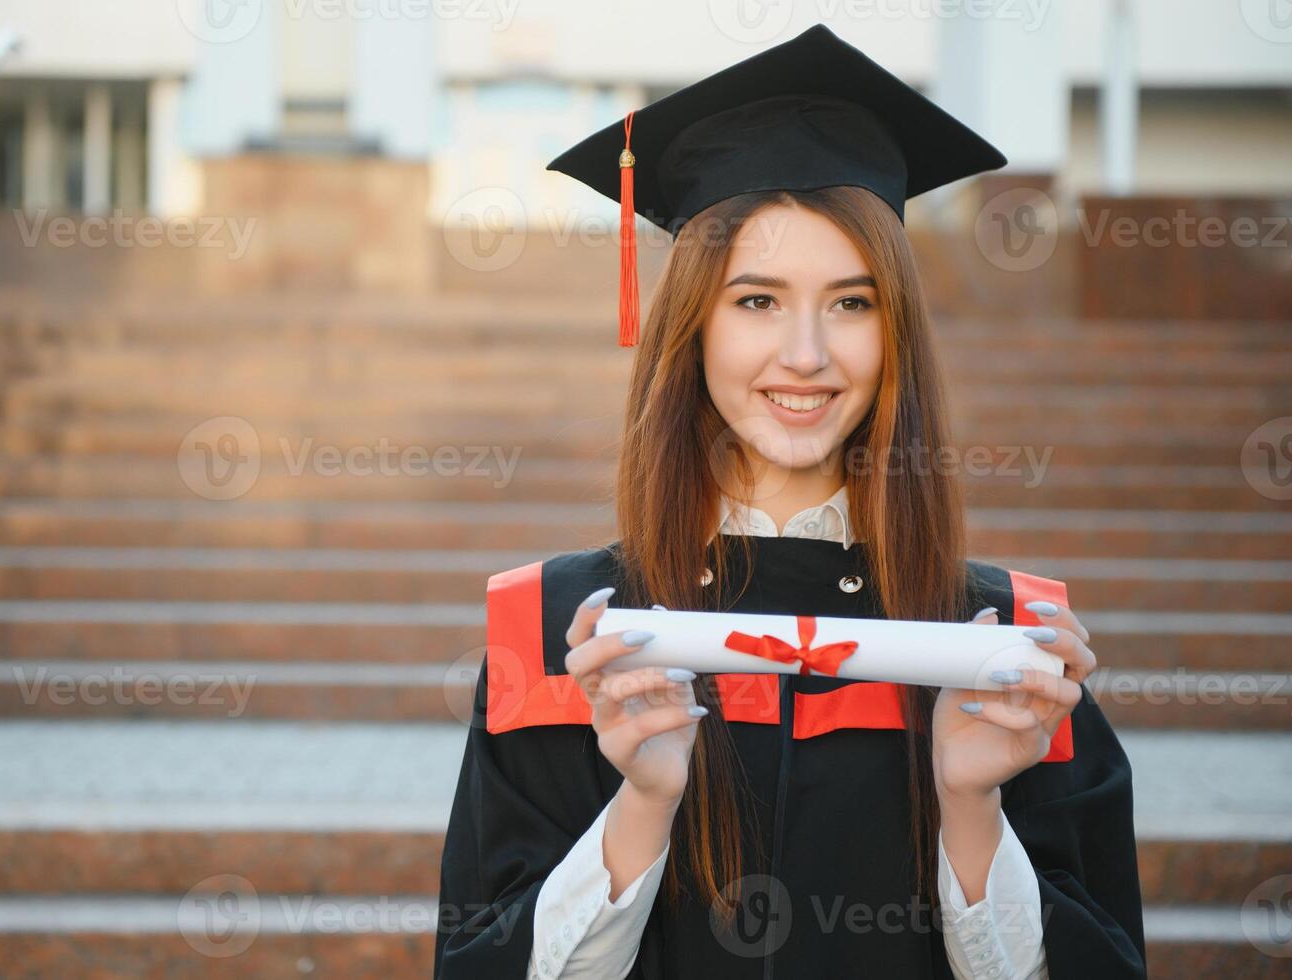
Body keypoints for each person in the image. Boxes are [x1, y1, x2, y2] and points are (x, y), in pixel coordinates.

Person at [434, 23, 1147, 980]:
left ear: (895, 333)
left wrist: (970, 811)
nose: (806, 355)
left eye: (852, 303)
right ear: (690, 327)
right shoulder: (564, 635)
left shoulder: (1004, 652)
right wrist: (639, 806)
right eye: (757, 301)